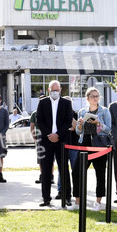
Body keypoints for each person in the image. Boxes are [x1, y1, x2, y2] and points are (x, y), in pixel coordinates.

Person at [36, 80, 74, 209]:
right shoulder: (43, 102)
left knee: (64, 169)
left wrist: (57, 134)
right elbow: (39, 121)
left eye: (57, 90)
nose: (55, 92)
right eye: (53, 90)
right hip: (46, 141)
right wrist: (49, 134)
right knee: (46, 170)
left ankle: (67, 196)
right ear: (48, 90)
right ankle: (46, 198)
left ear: (60, 90)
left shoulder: (66, 103)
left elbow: (68, 121)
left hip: (61, 140)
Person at [74, 87, 112, 210]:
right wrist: (80, 124)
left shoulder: (104, 111)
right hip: (84, 142)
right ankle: (78, 202)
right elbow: (78, 131)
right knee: (77, 171)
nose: (95, 98)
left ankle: (98, 202)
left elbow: (109, 129)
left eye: (97, 96)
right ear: (87, 98)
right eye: (92, 96)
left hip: (99, 143)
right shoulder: (82, 111)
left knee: (100, 173)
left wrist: (99, 123)